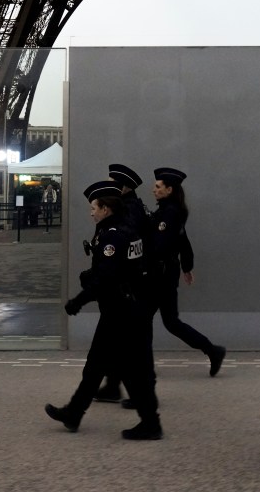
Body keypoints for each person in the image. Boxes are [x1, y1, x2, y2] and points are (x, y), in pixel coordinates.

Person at [45, 181, 162, 440]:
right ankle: (74, 413)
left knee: (131, 372)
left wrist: (78, 300)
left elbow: (107, 278)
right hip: (126, 308)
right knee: (96, 366)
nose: (91, 212)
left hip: (121, 312)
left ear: (106, 209)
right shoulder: (126, 229)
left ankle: (151, 423)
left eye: (94, 208)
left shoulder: (112, 235)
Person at [146, 167, 226, 376]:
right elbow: (184, 241)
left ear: (169, 189)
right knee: (171, 322)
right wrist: (186, 267)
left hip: (161, 274)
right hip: (166, 273)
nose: (153, 189)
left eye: (157, 186)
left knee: (145, 319)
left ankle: (144, 370)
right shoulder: (170, 210)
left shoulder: (169, 213)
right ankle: (212, 350)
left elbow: (161, 244)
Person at [94, 163, 154, 404]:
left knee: (128, 340)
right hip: (128, 284)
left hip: (127, 285)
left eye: (114, 183)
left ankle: (142, 398)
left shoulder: (129, 212)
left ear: (125, 187)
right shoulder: (133, 208)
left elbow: (125, 247)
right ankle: (113, 386)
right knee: (121, 339)